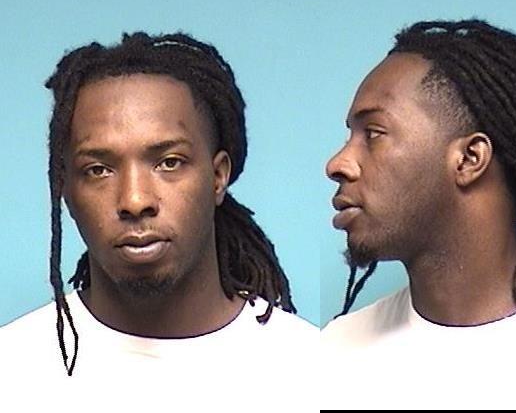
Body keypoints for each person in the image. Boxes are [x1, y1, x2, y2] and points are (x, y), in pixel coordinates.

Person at [322, 19, 516, 409]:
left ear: (470, 158)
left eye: (373, 134)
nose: (337, 164)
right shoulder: (334, 356)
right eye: (349, 136)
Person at [0, 32, 317, 411]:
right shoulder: (11, 371)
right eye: (98, 169)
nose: (135, 200)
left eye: (169, 162)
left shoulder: (313, 373)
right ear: (65, 189)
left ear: (218, 177)